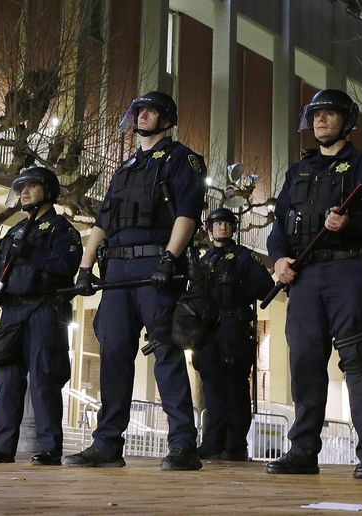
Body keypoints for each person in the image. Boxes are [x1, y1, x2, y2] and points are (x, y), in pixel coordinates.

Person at [265, 89, 362, 480]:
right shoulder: (298, 171)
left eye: (328, 114)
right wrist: (279, 260)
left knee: (360, 363)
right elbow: (279, 226)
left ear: (348, 121)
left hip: (350, 274)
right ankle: (303, 452)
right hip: (305, 279)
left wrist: (351, 224)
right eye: (315, 114)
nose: (320, 120)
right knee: (304, 364)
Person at [65, 91, 206, 470]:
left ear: (166, 118)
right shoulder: (125, 166)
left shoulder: (182, 159)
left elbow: (187, 214)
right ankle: (107, 444)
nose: (142, 116)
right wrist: (85, 265)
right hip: (117, 273)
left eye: (150, 111)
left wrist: (169, 258)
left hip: (155, 266)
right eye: (139, 111)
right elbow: (103, 221)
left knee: (166, 353)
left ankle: (183, 446)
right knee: (112, 356)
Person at [0, 166, 81, 466]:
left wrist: (32, 254)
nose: (25, 192)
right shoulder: (14, 231)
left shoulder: (61, 228)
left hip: (43, 309)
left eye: (31, 186)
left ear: (47, 190)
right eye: (21, 188)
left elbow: (66, 265)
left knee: (44, 378)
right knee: (6, 378)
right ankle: (0, 446)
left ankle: (49, 448)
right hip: (11, 312)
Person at [192, 208, 273, 461]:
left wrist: (239, 283)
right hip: (209, 333)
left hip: (235, 329)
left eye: (227, 224)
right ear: (210, 229)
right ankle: (212, 443)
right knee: (212, 390)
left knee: (235, 389)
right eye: (218, 224)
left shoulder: (245, 257)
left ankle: (236, 445)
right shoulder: (204, 261)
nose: (223, 228)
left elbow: (266, 290)